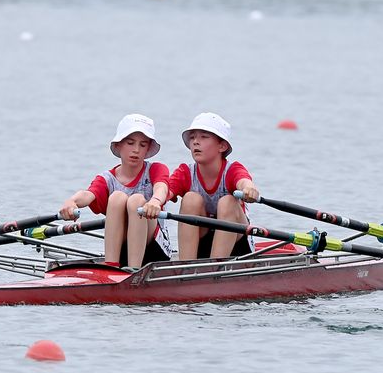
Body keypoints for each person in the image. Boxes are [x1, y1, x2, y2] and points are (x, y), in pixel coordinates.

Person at [59, 113, 172, 269]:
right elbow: (87, 195)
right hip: (122, 249)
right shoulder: (107, 178)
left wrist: (155, 201)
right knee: (117, 197)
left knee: (136, 200)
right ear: (118, 145)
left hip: (155, 249)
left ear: (148, 149)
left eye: (143, 145)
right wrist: (71, 202)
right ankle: (111, 266)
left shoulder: (156, 169)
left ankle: (134, 271)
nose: (136, 150)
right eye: (130, 143)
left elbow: (161, 188)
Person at [167, 112, 260, 260]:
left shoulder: (232, 170)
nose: (196, 142)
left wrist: (249, 189)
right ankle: (186, 267)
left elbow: (243, 181)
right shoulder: (185, 172)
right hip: (202, 243)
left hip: (237, 245)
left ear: (222, 146)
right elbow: (164, 191)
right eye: (192, 138)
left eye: (204, 137)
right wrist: (154, 201)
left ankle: (215, 267)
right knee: (190, 199)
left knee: (227, 202)